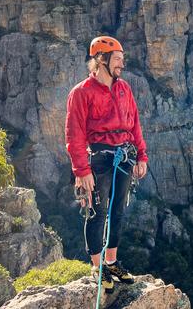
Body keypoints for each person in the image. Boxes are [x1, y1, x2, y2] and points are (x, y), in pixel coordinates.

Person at [65, 35, 148, 293]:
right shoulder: (81, 93)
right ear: (101, 60)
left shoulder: (124, 89)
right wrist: (81, 170)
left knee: (118, 212)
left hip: (124, 157)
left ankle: (111, 263)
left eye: (123, 59)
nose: (121, 65)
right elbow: (74, 134)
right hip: (98, 160)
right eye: (117, 59)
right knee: (97, 213)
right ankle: (97, 267)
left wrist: (141, 156)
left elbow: (134, 122)